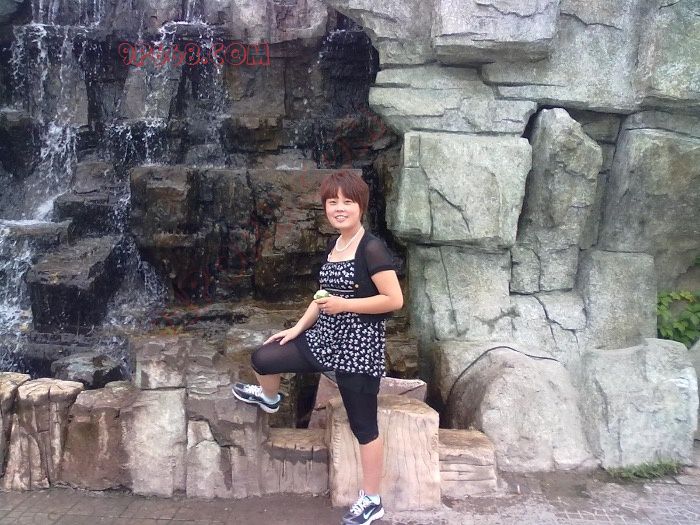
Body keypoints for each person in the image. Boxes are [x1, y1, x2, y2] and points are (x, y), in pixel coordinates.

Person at [232, 171, 403, 525]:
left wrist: (345, 305)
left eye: (347, 202)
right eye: (332, 202)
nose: (339, 208)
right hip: (323, 339)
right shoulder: (335, 245)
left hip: (357, 348)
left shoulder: (371, 248)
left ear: (361, 206)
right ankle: (270, 398)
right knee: (264, 357)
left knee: (364, 427)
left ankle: (372, 500)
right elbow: (321, 297)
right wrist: (296, 328)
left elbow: (394, 300)